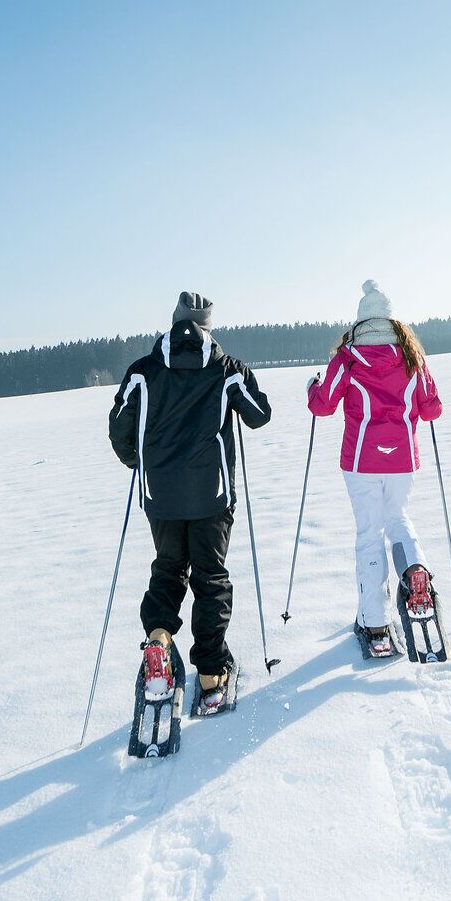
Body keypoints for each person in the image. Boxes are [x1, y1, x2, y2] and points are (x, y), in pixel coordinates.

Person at [108, 292, 272, 713]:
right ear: (207, 326)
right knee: (210, 578)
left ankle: (159, 641)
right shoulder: (224, 367)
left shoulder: (142, 370)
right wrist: (238, 374)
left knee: (168, 569)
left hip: (160, 496)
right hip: (211, 496)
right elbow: (259, 413)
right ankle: (212, 676)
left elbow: (119, 427)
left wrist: (139, 463)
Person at [306, 280, 444, 656]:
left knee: (369, 534)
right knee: (397, 518)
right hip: (402, 460)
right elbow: (432, 409)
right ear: (392, 320)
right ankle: (416, 571)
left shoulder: (348, 357)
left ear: (361, 320)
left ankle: (376, 626)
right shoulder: (413, 356)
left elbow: (323, 405)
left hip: (361, 461)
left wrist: (311, 388)